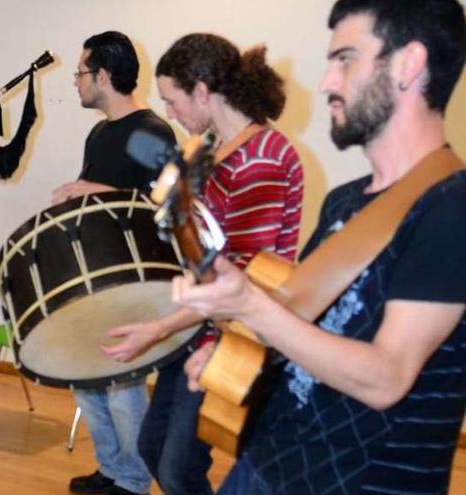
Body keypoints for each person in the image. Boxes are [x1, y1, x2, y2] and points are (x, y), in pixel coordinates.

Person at [178, 1, 466, 493]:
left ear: (409, 64)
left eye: (345, 59)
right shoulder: (344, 202)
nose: (327, 81)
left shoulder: (451, 209)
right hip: (266, 463)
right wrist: (235, 355)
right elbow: (304, 324)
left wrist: (250, 305)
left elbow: (386, 377)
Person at [101, 34, 304, 494]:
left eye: (173, 101)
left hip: (235, 340)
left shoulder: (262, 160)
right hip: (200, 328)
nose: (169, 114)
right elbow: (203, 254)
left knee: (177, 467)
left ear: (203, 92)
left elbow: (244, 281)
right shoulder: (210, 151)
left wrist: (157, 328)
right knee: (154, 448)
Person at [53, 31, 175, 495]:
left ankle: (134, 479)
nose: (77, 83)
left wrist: (94, 191)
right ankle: (110, 467)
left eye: (81, 73)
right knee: (86, 381)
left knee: (124, 390)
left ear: (103, 76)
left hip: (137, 280)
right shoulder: (100, 132)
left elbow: (166, 205)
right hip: (95, 275)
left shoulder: (151, 132)